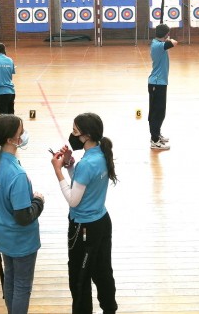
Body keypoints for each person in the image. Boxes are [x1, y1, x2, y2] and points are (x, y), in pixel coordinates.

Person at [50, 112, 118, 314]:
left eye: (75, 131)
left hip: (84, 229)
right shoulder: (100, 153)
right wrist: (70, 165)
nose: (72, 135)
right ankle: (109, 309)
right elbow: (84, 184)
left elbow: (73, 200)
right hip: (101, 222)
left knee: (79, 278)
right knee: (103, 270)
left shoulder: (87, 164)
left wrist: (58, 170)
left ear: (86, 135)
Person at [0, 114, 44, 314]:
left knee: (10, 278)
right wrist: (39, 202)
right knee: (22, 286)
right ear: (11, 139)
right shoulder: (16, 174)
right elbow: (23, 216)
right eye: (21, 131)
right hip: (20, 240)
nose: (24, 134)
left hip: (3, 235)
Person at [148, 24, 178, 150]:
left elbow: (169, 42)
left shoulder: (157, 43)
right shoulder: (158, 45)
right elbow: (174, 42)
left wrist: (165, 37)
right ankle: (154, 140)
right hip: (157, 83)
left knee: (160, 112)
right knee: (157, 113)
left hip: (159, 83)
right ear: (166, 34)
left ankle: (157, 134)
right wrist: (167, 38)